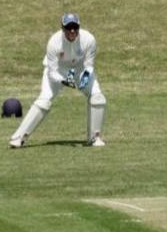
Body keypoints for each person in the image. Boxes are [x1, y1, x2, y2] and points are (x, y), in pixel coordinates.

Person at [9, 12, 106, 148]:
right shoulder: (54, 42)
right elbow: (52, 71)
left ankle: (94, 138)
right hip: (59, 71)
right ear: (63, 28)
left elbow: (89, 66)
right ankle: (19, 137)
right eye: (68, 28)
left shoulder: (89, 39)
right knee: (44, 101)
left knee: (98, 97)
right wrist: (65, 80)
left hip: (79, 70)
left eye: (75, 27)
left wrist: (84, 78)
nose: (72, 31)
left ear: (79, 27)